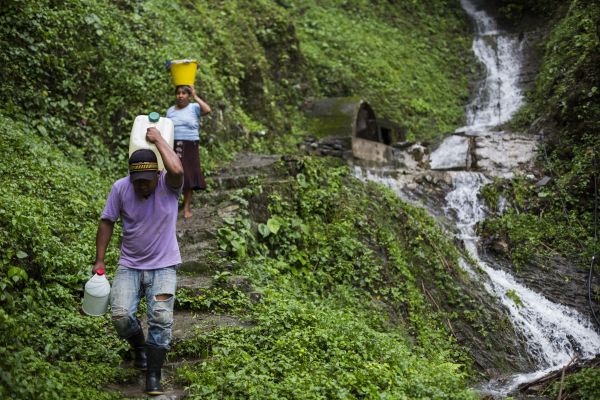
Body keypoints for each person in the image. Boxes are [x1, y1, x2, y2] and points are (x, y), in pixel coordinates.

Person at [93, 127, 184, 396]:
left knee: (160, 317)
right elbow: (107, 221)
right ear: (130, 177)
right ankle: (139, 347)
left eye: (147, 179)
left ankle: (153, 375)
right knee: (120, 316)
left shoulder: (170, 185)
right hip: (130, 264)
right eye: (137, 180)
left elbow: (177, 169)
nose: (142, 185)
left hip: (164, 264)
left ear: (158, 175)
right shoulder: (121, 188)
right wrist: (99, 260)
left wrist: (158, 140)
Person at [166, 85, 212, 219]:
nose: (180, 95)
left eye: (184, 93)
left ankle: (186, 207)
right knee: (173, 173)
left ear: (188, 95)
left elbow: (207, 110)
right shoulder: (170, 111)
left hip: (190, 145)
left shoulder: (194, 107)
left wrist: (195, 96)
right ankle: (173, 206)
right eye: (178, 93)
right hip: (174, 145)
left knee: (189, 175)